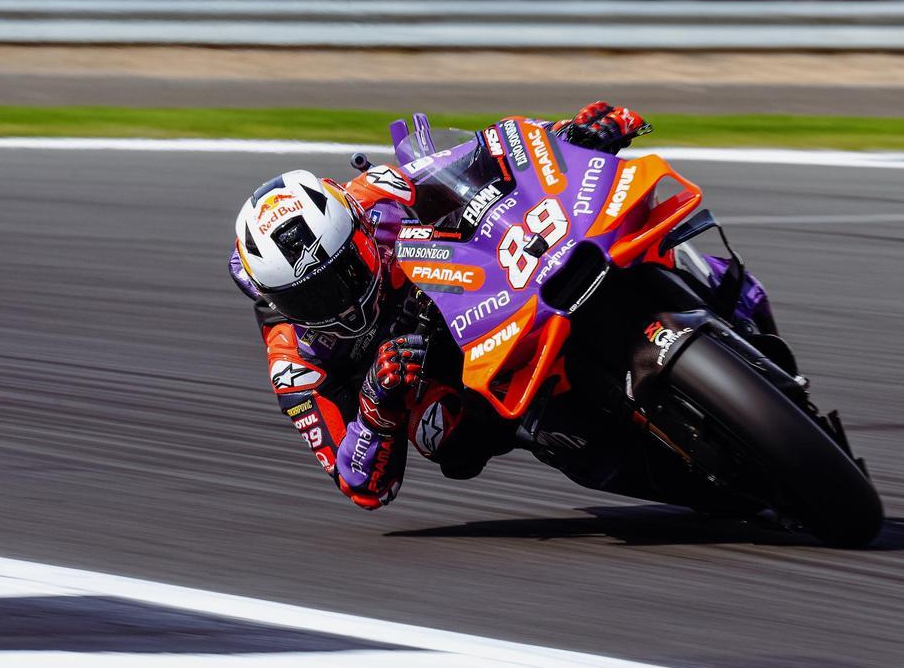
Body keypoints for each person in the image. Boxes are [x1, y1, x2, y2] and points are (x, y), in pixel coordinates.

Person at [229, 102, 653, 510]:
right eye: (306, 298)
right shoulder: (293, 362)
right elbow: (363, 487)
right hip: (435, 368)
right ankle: (560, 426)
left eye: (345, 273)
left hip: (488, 284)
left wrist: (569, 135)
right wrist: (376, 405)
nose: (338, 305)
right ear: (271, 295)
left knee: (600, 217)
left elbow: (494, 151)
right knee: (439, 434)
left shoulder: (375, 195)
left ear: (359, 232)